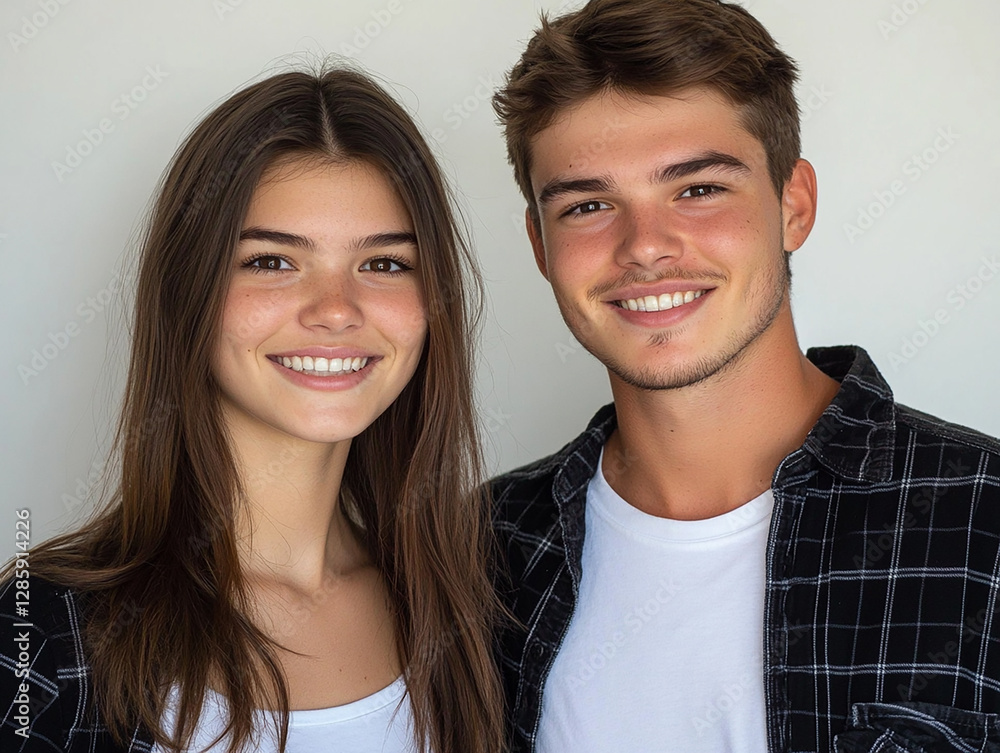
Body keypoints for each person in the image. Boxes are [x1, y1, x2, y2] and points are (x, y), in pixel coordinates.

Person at [488, 1, 1000, 751]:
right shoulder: (482, 550)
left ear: (794, 205)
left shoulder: (984, 524)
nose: (646, 247)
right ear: (539, 245)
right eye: (589, 204)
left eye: (697, 189)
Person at [0, 68, 503, 753]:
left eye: (384, 264)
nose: (335, 309)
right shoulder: (38, 630)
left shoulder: (480, 606)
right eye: (271, 261)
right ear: (190, 292)